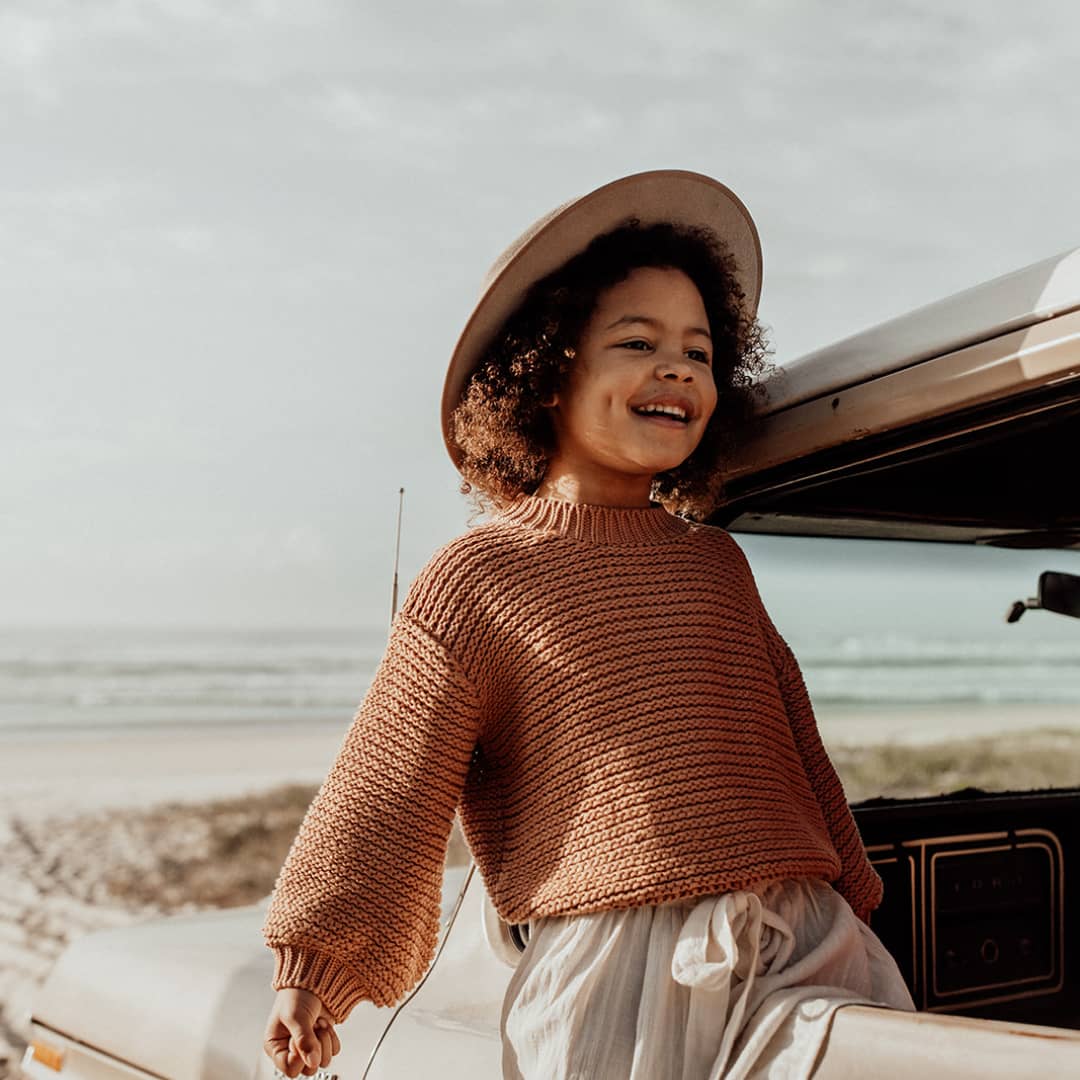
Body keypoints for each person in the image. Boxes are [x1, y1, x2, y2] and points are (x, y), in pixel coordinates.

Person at [261, 170, 915, 1080]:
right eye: (637, 340)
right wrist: (314, 971)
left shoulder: (715, 562)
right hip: (618, 966)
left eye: (699, 350)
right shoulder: (479, 576)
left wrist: (851, 887)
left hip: (804, 941)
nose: (678, 367)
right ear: (546, 365)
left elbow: (791, 741)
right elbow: (389, 778)